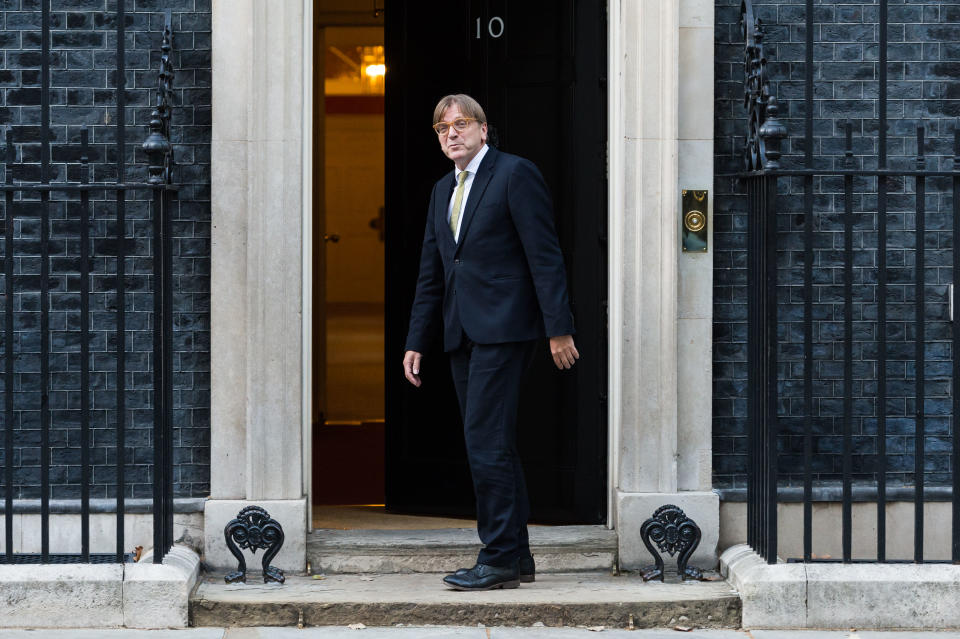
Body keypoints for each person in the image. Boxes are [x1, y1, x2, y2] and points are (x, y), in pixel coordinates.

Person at [402, 94, 579, 591]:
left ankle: (497, 558)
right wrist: (417, 339)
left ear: (484, 129)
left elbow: (544, 254)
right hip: (461, 331)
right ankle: (517, 557)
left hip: (505, 329)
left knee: (485, 444)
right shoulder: (443, 190)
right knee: (493, 443)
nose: (452, 134)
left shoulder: (513, 174)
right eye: (442, 128)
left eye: (461, 124)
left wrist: (557, 326)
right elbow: (431, 273)